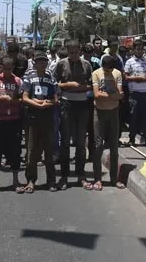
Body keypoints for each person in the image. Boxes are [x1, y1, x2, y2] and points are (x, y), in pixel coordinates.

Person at [53, 40, 93, 190]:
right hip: (66, 103)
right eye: (71, 53)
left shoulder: (86, 65)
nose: (74, 55)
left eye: (76, 52)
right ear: (67, 51)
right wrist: (67, 85)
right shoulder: (61, 64)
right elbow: (54, 83)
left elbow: (91, 84)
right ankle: (64, 176)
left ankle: (81, 175)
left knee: (81, 142)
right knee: (65, 141)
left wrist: (83, 87)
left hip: (82, 104)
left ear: (80, 51)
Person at [0, 56, 23, 195]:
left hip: (13, 120)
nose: (8, 71)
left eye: (10, 68)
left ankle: (15, 180)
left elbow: (22, 98)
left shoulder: (18, 81)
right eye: (5, 68)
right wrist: (1, 98)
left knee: (14, 151)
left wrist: (14, 101)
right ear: (1, 67)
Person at [22, 54, 58, 193]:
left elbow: (56, 98)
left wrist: (48, 103)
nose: (42, 64)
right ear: (34, 63)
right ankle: (31, 180)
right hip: (32, 117)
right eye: (39, 62)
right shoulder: (29, 77)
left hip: (47, 117)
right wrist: (37, 104)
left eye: (44, 62)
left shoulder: (51, 78)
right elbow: (24, 97)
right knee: (31, 151)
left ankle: (51, 181)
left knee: (48, 150)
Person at [91, 54, 124, 190]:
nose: (108, 72)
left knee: (114, 146)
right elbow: (96, 95)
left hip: (113, 112)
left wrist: (110, 96)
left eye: (110, 70)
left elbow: (121, 94)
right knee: (98, 146)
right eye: (106, 70)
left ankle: (113, 179)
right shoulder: (96, 74)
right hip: (99, 112)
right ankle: (98, 179)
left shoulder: (117, 73)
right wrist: (113, 96)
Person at [123, 41, 146, 147]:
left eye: (141, 49)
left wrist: (145, 78)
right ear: (133, 50)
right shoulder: (129, 62)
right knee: (133, 116)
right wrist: (137, 79)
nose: (139, 51)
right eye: (137, 49)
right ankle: (132, 138)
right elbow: (126, 77)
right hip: (134, 93)